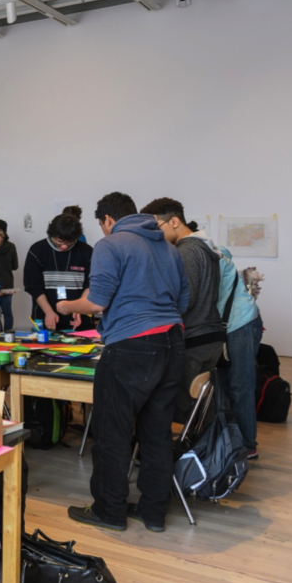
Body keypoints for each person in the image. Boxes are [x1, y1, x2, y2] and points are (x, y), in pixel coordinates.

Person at [56, 192, 187, 533]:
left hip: (131, 345)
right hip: (172, 343)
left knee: (112, 432)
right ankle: (153, 513)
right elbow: (184, 299)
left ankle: (109, 511)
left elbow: (97, 301)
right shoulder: (170, 249)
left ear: (107, 220)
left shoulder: (112, 245)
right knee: (157, 433)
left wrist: (68, 307)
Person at [141, 198, 225, 423]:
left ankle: (190, 453)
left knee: (179, 408)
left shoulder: (185, 251)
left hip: (194, 339)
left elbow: (186, 299)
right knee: (199, 407)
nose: (155, 233)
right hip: (211, 337)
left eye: (156, 226)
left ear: (175, 221)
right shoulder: (206, 246)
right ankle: (201, 451)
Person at [186, 222, 263, 459]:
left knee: (240, 385)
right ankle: (227, 439)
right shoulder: (209, 252)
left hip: (239, 324)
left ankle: (247, 445)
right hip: (225, 326)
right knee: (222, 386)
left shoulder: (211, 257)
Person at [23, 213, 94, 331]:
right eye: (60, 241)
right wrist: (49, 312)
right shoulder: (37, 250)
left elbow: (91, 284)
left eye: (70, 242)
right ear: (52, 234)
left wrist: (79, 308)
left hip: (79, 320)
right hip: (45, 318)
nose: (64, 246)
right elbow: (34, 287)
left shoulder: (87, 252)